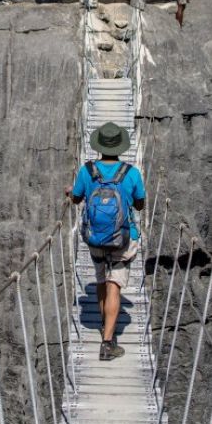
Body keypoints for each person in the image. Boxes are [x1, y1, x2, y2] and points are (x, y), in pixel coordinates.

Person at [69, 122, 146, 360]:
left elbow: (76, 199)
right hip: (123, 239)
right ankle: (108, 343)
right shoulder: (131, 173)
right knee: (115, 285)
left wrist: (70, 192)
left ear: (99, 146)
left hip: (95, 238)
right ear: (120, 146)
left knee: (102, 280)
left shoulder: (87, 171)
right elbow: (140, 204)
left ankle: (105, 325)